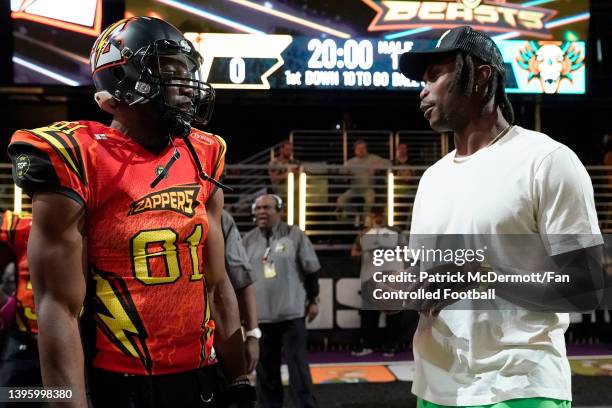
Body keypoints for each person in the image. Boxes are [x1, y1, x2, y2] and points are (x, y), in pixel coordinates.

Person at [8, 17, 253, 407]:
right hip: (122, 381)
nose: (187, 85)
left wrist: (238, 373)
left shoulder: (206, 151)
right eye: (169, 71)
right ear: (121, 79)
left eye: (188, 71)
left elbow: (216, 278)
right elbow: (58, 306)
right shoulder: (78, 155)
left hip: (201, 374)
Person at [398, 26, 603, 408]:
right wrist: (408, 292)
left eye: (434, 75)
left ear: (480, 75)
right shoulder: (431, 179)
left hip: (521, 387)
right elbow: (421, 283)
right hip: (435, 387)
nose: (422, 90)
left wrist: (484, 277)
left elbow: (586, 286)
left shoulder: (546, 160)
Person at [242, 194, 320, 408]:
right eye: (257, 208)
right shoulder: (247, 240)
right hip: (262, 319)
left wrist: (313, 299)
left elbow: (311, 270)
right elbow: (241, 279)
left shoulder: (295, 235)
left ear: (280, 210)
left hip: (292, 316)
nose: (261, 212)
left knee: (298, 369)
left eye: (266, 207)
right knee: (266, 373)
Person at [0, 210, 44, 408]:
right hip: (24, 338)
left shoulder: (88, 224)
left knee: (67, 397)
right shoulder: (20, 227)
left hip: (73, 340)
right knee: (12, 397)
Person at [350, 207, 407, 357]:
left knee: (393, 315)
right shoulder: (364, 234)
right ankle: (368, 344)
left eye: (381, 213)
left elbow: (408, 252)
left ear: (386, 215)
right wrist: (366, 251)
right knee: (369, 315)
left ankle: (391, 345)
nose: (379, 217)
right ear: (370, 216)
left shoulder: (397, 233)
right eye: (375, 214)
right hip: (371, 279)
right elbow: (354, 253)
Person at [221, 209, 260, 374]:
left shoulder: (219, 217)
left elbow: (242, 279)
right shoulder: (218, 216)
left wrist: (252, 334)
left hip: (212, 330)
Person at [336, 140, 388, 220]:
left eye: (363, 148)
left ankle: (365, 218)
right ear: (355, 150)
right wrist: (345, 175)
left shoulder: (373, 158)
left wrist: (377, 167)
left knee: (370, 200)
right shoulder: (350, 162)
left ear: (366, 149)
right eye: (359, 148)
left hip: (368, 188)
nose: (361, 150)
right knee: (340, 201)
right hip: (354, 189)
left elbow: (388, 163)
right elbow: (341, 174)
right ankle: (355, 214)